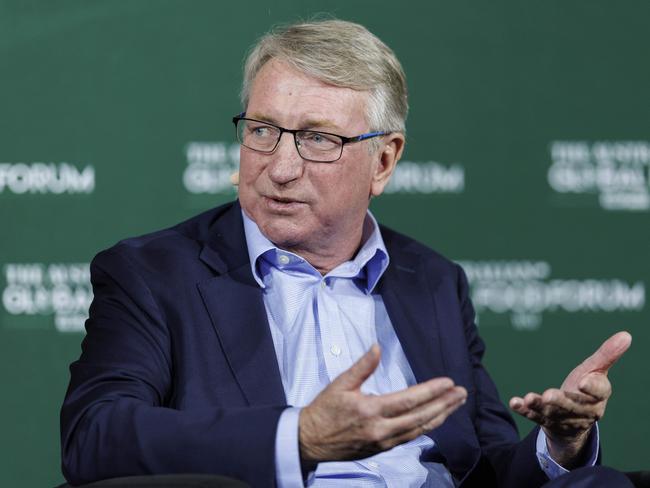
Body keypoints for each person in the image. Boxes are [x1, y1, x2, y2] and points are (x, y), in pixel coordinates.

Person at [61, 19, 633, 488]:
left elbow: (482, 468)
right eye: (262, 129)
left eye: (319, 139)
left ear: (383, 161)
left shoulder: (432, 282)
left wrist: (561, 443)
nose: (280, 167)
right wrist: (300, 438)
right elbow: (94, 436)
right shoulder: (155, 272)